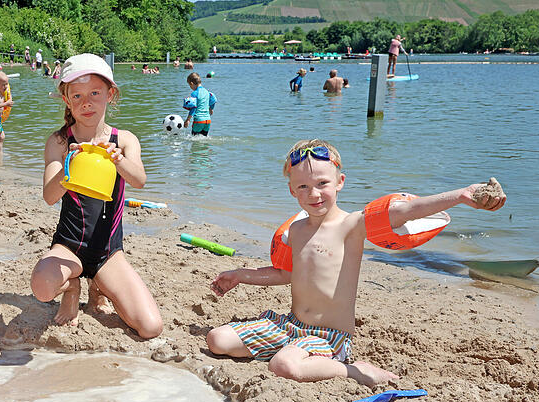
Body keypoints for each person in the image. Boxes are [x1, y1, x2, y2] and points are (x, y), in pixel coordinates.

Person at [205, 139, 506, 387]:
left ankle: (353, 369)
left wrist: (461, 195)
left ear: (340, 183)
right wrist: (239, 275)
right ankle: (294, 352)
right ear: (291, 190)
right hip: (290, 326)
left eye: (323, 183)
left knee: (283, 365)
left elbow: (406, 211)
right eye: (303, 187)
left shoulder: (353, 225)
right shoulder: (296, 230)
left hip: (328, 336)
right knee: (217, 339)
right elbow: (285, 273)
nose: (314, 194)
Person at [30, 54, 163, 336]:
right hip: (68, 248)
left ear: (110, 94)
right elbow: (49, 196)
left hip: (108, 252)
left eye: (94, 93)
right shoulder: (59, 141)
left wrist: (118, 160)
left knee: (151, 327)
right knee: (42, 288)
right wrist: (69, 165)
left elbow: (139, 179)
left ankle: (99, 285)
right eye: (76, 95)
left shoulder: (124, 140)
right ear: (66, 100)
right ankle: (72, 287)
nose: (86, 102)